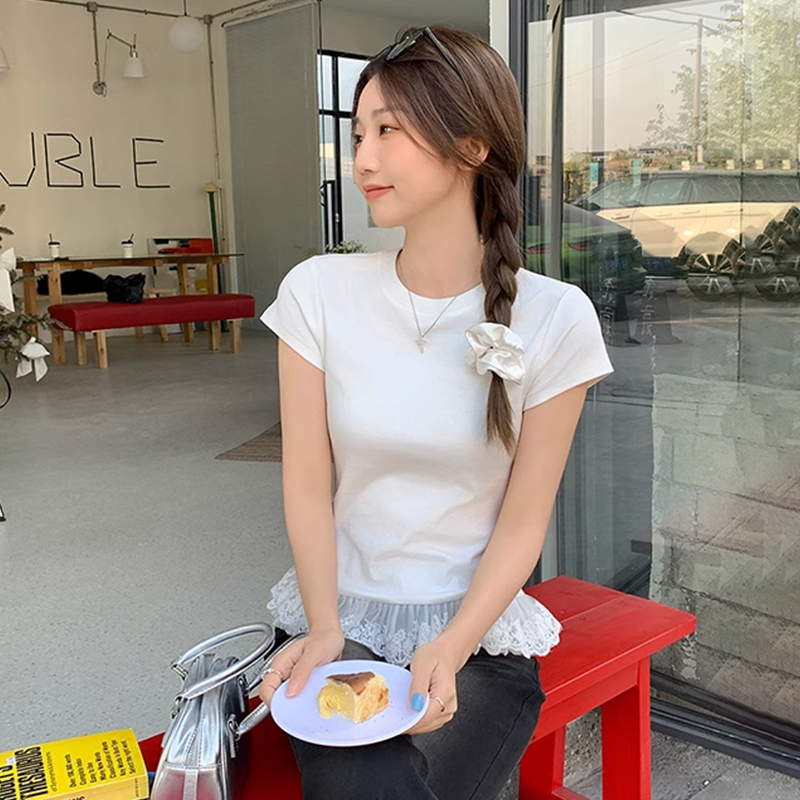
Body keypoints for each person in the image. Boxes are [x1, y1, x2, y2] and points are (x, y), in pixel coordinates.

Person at [258, 24, 613, 800]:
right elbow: (306, 483)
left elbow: (524, 523)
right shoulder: (318, 293)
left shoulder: (557, 317)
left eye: (388, 131)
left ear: (472, 146)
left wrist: (452, 645)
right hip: (340, 615)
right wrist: (324, 626)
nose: (362, 160)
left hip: (478, 634)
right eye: (358, 134)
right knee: (361, 775)